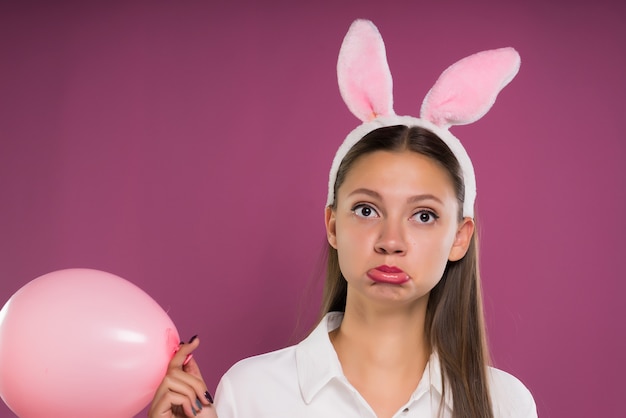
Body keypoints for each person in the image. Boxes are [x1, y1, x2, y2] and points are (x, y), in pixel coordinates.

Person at [148, 19, 537, 418]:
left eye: (423, 215)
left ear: (460, 237)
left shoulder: (506, 404)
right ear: (333, 225)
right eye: (367, 210)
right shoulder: (250, 392)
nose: (391, 240)